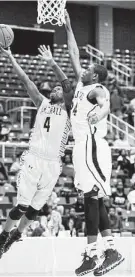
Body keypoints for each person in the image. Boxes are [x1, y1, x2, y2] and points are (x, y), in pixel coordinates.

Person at [0, 43, 71, 259]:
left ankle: (17, 234)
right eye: (53, 89)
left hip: (53, 164)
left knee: (35, 210)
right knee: (22, 206)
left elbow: (67, 86)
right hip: (34, 159)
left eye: (58, 89)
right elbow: (25, 80)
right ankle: (3, 236)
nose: (55, 89)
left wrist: (53, 63)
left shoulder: (70, 111)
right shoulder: (41, 102)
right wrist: (10, 56)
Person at [63, 10, 124, 276]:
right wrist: (68, 26)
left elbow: (105, 102)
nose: (84, 69)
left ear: (96, 76)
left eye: (89, 69)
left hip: (93, 145)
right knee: (92, 200)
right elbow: (74, 53)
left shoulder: (97, 89)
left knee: (92, 199)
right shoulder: (81, 85)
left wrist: (103, 110)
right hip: (82, 146)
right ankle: (106, 252)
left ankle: (97, 254)